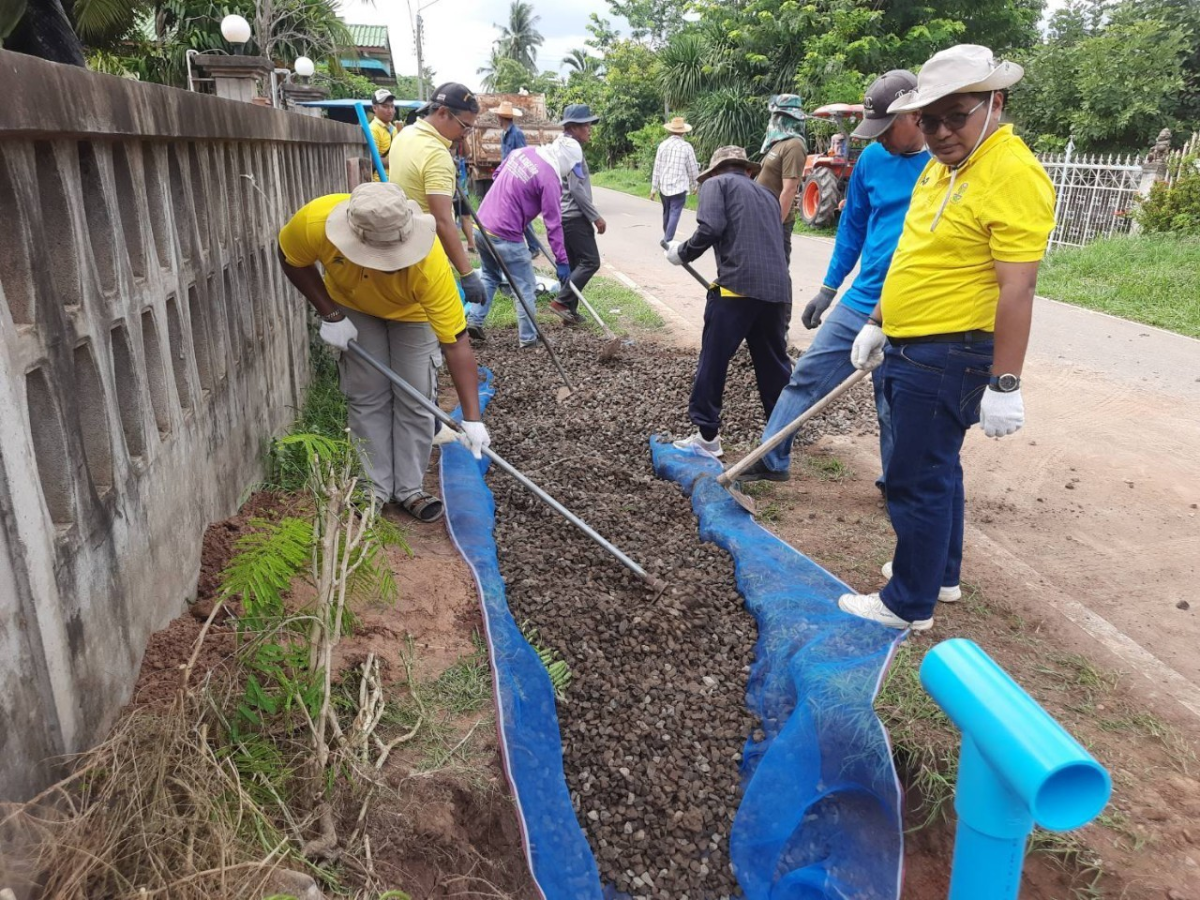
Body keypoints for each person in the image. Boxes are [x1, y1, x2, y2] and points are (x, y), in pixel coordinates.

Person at [838, 45, 1056, 630]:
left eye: (955, 115)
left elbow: (1018, 287)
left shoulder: (1010, 171)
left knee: (915, 478)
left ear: (995, 103)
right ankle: (941, 574)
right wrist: (878, 320)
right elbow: (915, 254)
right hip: (912, 344)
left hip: (948, 351)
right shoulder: (944, 164)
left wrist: (1006, 383)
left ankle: (907, 604)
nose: (939, 132)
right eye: (929, 120)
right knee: (938, 469)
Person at [735, 71, 929, 488]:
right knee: (806, 375)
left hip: (916, 306)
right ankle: (772, 459)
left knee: (891, 404)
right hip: (862, 301)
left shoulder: (942, 165)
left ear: (914, 116)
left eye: (886, 129)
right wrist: (828, 289)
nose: (878, 140)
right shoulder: (872, 162)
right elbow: (853, 230)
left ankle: (897, 486)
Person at [277, 182, 491, 523]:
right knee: (367, 394)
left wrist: (472, 419)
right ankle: (370, 490)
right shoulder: (314, 223)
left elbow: (456, 343)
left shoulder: (429, 265)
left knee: (415, 396)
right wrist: (329, 313)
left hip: (413, 314)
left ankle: (409, 489)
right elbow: (290, 258)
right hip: (353, 306)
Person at [664, 146, 792, 458]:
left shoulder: (714, 185)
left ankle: (707, 437)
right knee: (774, 367)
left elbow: (711, 228)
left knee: (714, 360)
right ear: (748, 170)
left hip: (737, 288)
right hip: (777, 292)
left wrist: (682, 252)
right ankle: (780, 443)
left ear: (717, 170)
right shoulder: (768, 196)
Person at [465, 142, 579, 346]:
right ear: (565, 160)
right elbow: (553, 224)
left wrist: (521, 214)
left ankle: (474, 319)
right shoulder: (550, 178)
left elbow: (497, 176)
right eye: (571, 167)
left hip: (481, 225)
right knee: (525, 286)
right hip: (505, 234)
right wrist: (562, 260)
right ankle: (529, 338)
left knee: (490, 275)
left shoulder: (523, 152)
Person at [387, 82, 486, 310]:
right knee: (450, 334)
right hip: (426, 254)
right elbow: (441, 220)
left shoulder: (406, 134)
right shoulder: (435, 154)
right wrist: (467, 273)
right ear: (442, 113)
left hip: (402, 246)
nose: (465, 135)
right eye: (464, 127)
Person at [551, 104, 607, 326]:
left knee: (576, 265)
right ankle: (562, 302)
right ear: (573, 127)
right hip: (574, 216)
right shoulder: (572, 149)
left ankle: (569, 314)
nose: (589, 130)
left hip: (562, 216)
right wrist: (596, 216)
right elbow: (576, 188)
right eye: (586, 125)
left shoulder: (560, 146)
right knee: (591, 261)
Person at [755, 94, 808, 264]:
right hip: (763, 216)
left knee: (777, 269)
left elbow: (790, 189)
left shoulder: (794, 145)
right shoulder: (778, 143)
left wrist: (775, 223)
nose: (772, 120)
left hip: (776, 220)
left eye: (776, 116)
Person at [495, 99, 540, 259]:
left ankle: (534, 246)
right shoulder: (504, 134)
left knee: (521, 214)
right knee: (514, 213)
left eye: (499, 117)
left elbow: (522, 156)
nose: (497, 120)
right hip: (507, 177)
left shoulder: (516, 134)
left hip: (516, 180)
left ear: (503, 118)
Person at [650, 116, 700, 242]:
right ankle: (667, 239)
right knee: (675, 213)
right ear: (683, 131)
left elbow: (657, 167)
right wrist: (695, 184)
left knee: (667, 212)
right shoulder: (686, 147)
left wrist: (653, 188)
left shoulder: (663, 145)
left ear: (670, 130)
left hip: (664, 186)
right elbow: (692, 167)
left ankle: (667, 235)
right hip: (679, 187)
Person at [452, 140, 477, 253]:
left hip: (461, 186)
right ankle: (453, 249)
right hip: (446, 186)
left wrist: (463, 137)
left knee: (466, 216)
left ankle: (471, 245)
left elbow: (467, 153)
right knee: (449, 218)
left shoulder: (459, 140)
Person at [368, 88, 398, 181]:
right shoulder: (373, 129)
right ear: (375, 108)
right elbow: (372, 161)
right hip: (380, 184)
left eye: (392, 106)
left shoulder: (393, 128)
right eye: (385, 107)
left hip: (394, 181)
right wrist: (399, 161)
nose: (390, 111)